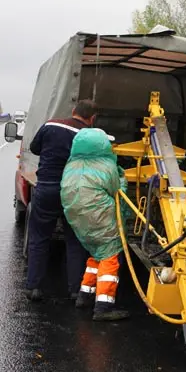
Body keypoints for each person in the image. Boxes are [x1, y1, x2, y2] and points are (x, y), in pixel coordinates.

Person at [26, 99, 98, 301]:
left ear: (73, 110)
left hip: (47, 188)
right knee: (74, 242)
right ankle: (75, 291)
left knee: (39, 238)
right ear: (92, 119)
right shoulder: (88, 136)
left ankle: (34, 288)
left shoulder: (51, 125)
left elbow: (34, 148)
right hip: (74, 192)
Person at [61, 128, 130, 322]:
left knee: (96, 253)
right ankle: (104, 306)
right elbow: (118, 193)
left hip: (76, 216)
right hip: (99, 216)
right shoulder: (107, 166)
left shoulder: (72, 164)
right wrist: (123, 180)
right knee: (110, 256)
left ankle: (85, 294)